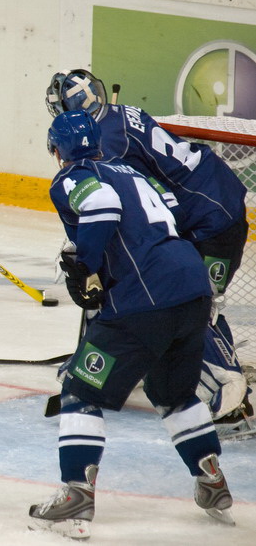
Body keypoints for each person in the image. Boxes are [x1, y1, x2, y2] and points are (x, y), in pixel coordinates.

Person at [29, 111, 233, 539]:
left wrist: (86, 266)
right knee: (173, 393)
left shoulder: (71, 176)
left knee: (80, 391)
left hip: (145, 301)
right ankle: (211, 480)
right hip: (192, 289)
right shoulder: (133, 172)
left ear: (56, 150)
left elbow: (102, 206)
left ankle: (76, 493)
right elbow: (173, 208)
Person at [45, 68, 252, 435]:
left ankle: (227, 389)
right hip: (224, 201)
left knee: (181, 299)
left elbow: (158, 198)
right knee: (191, 301)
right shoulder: (122, 114)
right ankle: (215, 380)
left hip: (209, 222)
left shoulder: (103, 146)